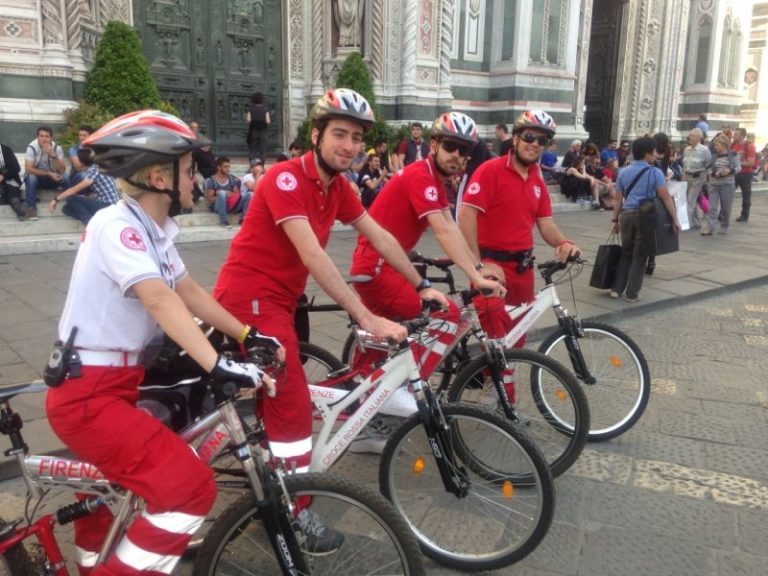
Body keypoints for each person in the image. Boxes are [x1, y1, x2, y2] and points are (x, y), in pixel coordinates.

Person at [44, 109, 279, 576]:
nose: (198, 179)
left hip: (110, 385)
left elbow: (188, 292)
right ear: (158, 175)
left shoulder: (153, 231)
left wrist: (247, 334)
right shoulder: (117, 226)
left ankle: (95, 560)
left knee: (118, 489)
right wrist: (216, 363)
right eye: (190, 170)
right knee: (189, 489)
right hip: (89, 394)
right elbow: (157, 298)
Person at [212, 88, 430, 499]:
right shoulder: (286, 177)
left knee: (274, 392)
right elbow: (312, 253)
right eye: (340, 135)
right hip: (251, 296)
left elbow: (380, 237)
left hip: (285, 296)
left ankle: (270, 470)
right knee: (292, 404)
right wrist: (365, 316)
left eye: (356, 138)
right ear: (317, 135)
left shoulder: (340, 187)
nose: (349, 146)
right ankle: (295, 510)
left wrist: (423, 284)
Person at [458, 110, 581, 346]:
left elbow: (545, 222)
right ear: (515, 139)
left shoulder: (537, 179)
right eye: (528, 137)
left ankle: (503, 378)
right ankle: (494, 381)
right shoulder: (490, 170)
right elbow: (466, 215)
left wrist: (563, 242)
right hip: (491, 265)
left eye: (541, 140)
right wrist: (477, 266)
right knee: (494, 333)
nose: (534, 144)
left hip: (523, 270)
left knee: (517, 335)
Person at [609, 136, 680, 303]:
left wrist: (615, 220)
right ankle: (632, 293)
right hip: (645, 216)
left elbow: (618, 199)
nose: (656, 155)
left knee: (626, 252)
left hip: (626, 214)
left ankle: (616, 289)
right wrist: (675, 219)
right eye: (654, 152)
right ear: (648, 153)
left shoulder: (623, 171)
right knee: (640, 255)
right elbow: (665, 197)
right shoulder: (654, 172)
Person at [47, 151, 119, 224]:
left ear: (81, 162)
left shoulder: (94, 170)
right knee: (66, 209)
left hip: (109, 205)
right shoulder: (97, 167)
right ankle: (96, 219)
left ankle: (90, 224)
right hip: (104, 204)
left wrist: (56, 200)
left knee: (72, 199)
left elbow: (73, 190)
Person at [24, 125, 70, 220]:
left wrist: (53, 156)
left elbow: (62, 170)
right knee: (31, 177)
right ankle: (31, 208)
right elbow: (28, 169)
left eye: (47, 136)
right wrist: (49, 173)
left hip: (51, 179)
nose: (44, 139)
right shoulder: (32, 147)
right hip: (37, 179)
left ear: (51, 138)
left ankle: (73, 202)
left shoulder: (57, 148)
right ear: (37, 137)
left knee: (65, 177)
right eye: (41, 136)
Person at [704, 133, 740, 235]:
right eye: (715, 145)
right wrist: (714, 173)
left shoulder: (733, 155)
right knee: (712, 207)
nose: (715, 147)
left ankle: (724, 226)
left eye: (717, 145)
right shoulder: (713, 157)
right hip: (714, 183)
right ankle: (710, 227)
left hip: (727, 184)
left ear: (724, 145)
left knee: (726, 207)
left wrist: (729, 171)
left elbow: (738, 167)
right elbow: (708, 168)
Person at [681, 127, 711, 231]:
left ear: (699, 138)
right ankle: (696, 222)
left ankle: (688, 224)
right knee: (688, 200)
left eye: (693, 136)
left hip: (698, 177)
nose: (690, 137)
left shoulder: (704, 150)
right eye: (690, 135)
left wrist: (706, 177)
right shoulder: (687, 149)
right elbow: (685, 164)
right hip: (686, 176)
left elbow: (708, 164)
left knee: (690, 200)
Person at [205, 156, 248, 227]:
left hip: (231, 205)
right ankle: (223, 221)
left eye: (229, 167)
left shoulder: (232, 179)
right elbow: (210, 199)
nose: (228, 169)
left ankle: (243, 219)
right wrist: (223, 195)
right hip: (218, 206)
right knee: (222, 193)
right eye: (225, 167)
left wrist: (232, 194)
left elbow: (237, 195)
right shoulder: (211, 180)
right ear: (219, 168)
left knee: (250, 194)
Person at [731, 127, 756, 223]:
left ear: (742, 136)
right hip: (735, 173)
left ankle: (744, 215)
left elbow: (751, 163)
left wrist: (737, 163)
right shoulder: (733, 145)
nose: (734, 136)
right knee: (728, 193)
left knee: (746, 195)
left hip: (746, 174)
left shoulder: (749, 146)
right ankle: (722, 213)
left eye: (736, 134)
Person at [0, 142, 25, 220]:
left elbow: (16, 168)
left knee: (12, 193)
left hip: (10, 180)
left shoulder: (6, 150)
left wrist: (3, 176)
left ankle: (20, 211)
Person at [245, 91, 271, 163]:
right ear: (262, 100)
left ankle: (252, 165)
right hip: (263, 131)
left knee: (252, 149)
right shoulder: (265, 109)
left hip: (253, 131)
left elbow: (248, 120)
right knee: (262, 149)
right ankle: (261, 165)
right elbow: (268, 121)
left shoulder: (251, 109)